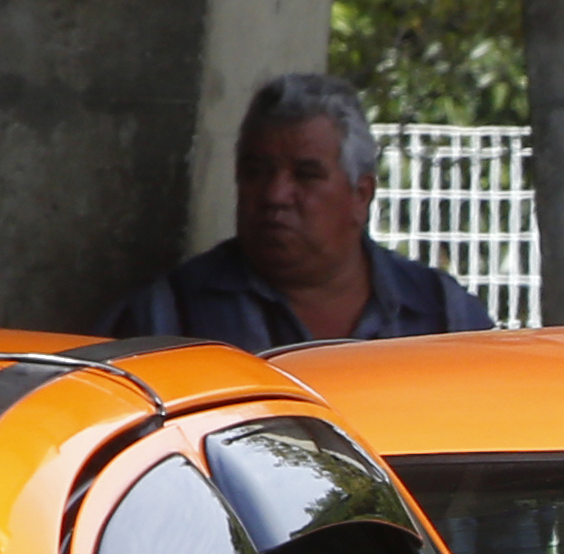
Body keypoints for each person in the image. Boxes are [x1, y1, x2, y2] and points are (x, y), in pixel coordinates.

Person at [105, 72, 494, 352]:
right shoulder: (167, 319)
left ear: (361, 195)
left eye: (306, 175)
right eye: (256, 172)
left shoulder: (441, 317)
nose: (275, 195)